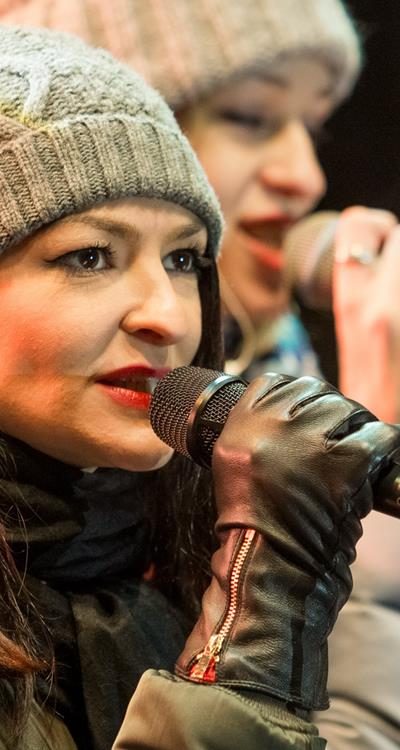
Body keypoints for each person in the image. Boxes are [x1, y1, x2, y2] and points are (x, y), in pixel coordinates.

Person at [1, 20, 400, 750]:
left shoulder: (153, 560)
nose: (167, 315)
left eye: (184, 261)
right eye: (89, 255)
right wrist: (258, 631)